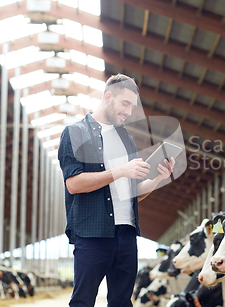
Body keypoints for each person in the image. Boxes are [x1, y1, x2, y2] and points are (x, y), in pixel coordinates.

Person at [58, 74, 175, 307]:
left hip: (126, 233)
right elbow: (74, 184)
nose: (129, 112)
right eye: (125, 104)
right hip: (92, 234)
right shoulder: (75, 133)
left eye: (132, 106)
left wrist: (156, 180)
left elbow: (130, 193)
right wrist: (121, 170)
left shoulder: (126, 138)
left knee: (122, 302)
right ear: (108, 97)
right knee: (83, 301)